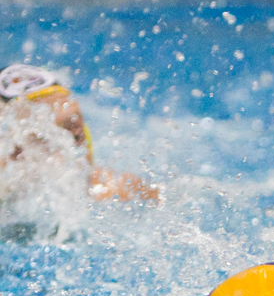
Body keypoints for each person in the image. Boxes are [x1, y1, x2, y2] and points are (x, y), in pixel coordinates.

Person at [0, 65, 158, 202]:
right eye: (44, 140)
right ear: (14, 154)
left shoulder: (122, 191)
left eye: (76, 137)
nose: (67, 159)